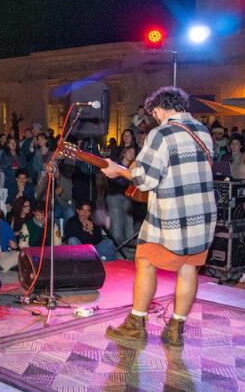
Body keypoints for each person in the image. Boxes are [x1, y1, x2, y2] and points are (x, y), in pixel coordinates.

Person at [101, 87, 216, 347]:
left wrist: (118, 170)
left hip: (171, 216)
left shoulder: (160, 133)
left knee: (144, 261)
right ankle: (176, 329)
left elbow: (144, 178)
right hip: (202, 216)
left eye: (152, 114)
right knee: (188, 269)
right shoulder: (202, 132)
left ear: (157, 109)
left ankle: (136, 325)